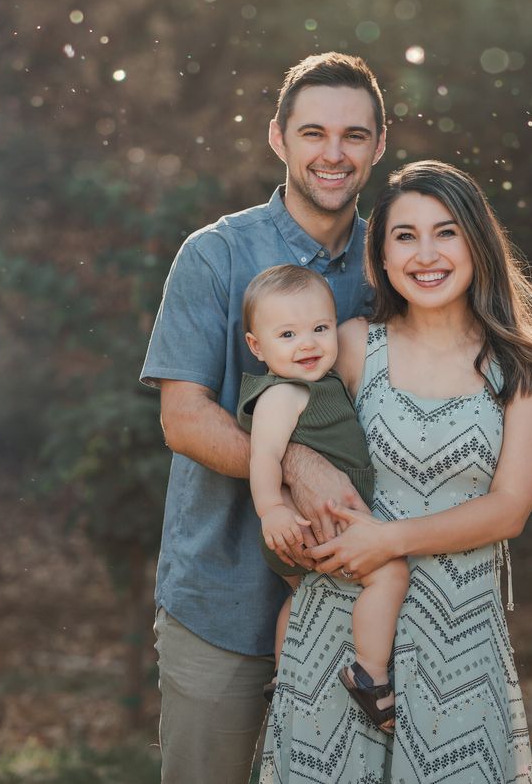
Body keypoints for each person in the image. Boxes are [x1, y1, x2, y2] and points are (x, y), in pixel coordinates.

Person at [260, 159, 532, 784]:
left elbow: (510, 509)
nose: (427, 253)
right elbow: (276, 425)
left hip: (459, 637)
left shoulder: (524, 365)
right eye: (405, 235)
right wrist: (289, 500)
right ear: (382, 256)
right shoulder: (348, 344)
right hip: (338, 630)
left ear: (477, 242)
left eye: (446, 232)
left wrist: (387, 541)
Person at [140, 52, 387, 784]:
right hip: (224, 598)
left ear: (380, 144)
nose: (333, 153)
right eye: (313, 132)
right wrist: (295, 464)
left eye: (354, 135)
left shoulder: (396, 260)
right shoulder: (215, 256)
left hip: (359, 600)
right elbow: (183, 419)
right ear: (277, 138)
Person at [237, 264, 410, 733]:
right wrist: (272, 508)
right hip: (315, 524)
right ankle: (369, 674)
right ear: (257, 347)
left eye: (319, 328)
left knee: (300, 595)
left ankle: (283, 672)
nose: (308, 343)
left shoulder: (319, 383)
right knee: (390, 574)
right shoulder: (284, 394)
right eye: (288, 334)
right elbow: (265, 457)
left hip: (306, 528)